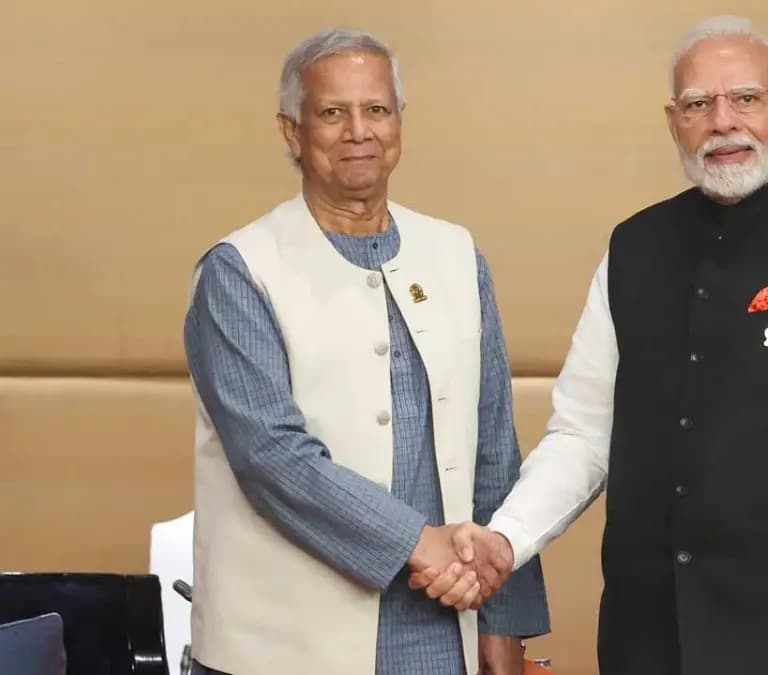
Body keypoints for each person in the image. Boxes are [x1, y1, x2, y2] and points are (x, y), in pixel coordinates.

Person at [418, 14, 768, 675]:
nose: (722, 122)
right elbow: (583, 435)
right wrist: (506, 540)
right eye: (698, 104)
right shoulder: (633, 248)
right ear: (672, 121)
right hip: (651, 637)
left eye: (746, 99)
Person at [183, 26, 548, 675]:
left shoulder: (457, 255)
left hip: (442, 640)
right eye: (332, 112)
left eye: (376, 109)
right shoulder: (238, 270)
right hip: (287, 649)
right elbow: (275, 459)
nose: (359, 130)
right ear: (292, 131)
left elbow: (494, 450)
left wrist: (508, 618)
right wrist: (419, 543)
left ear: (399, 122)